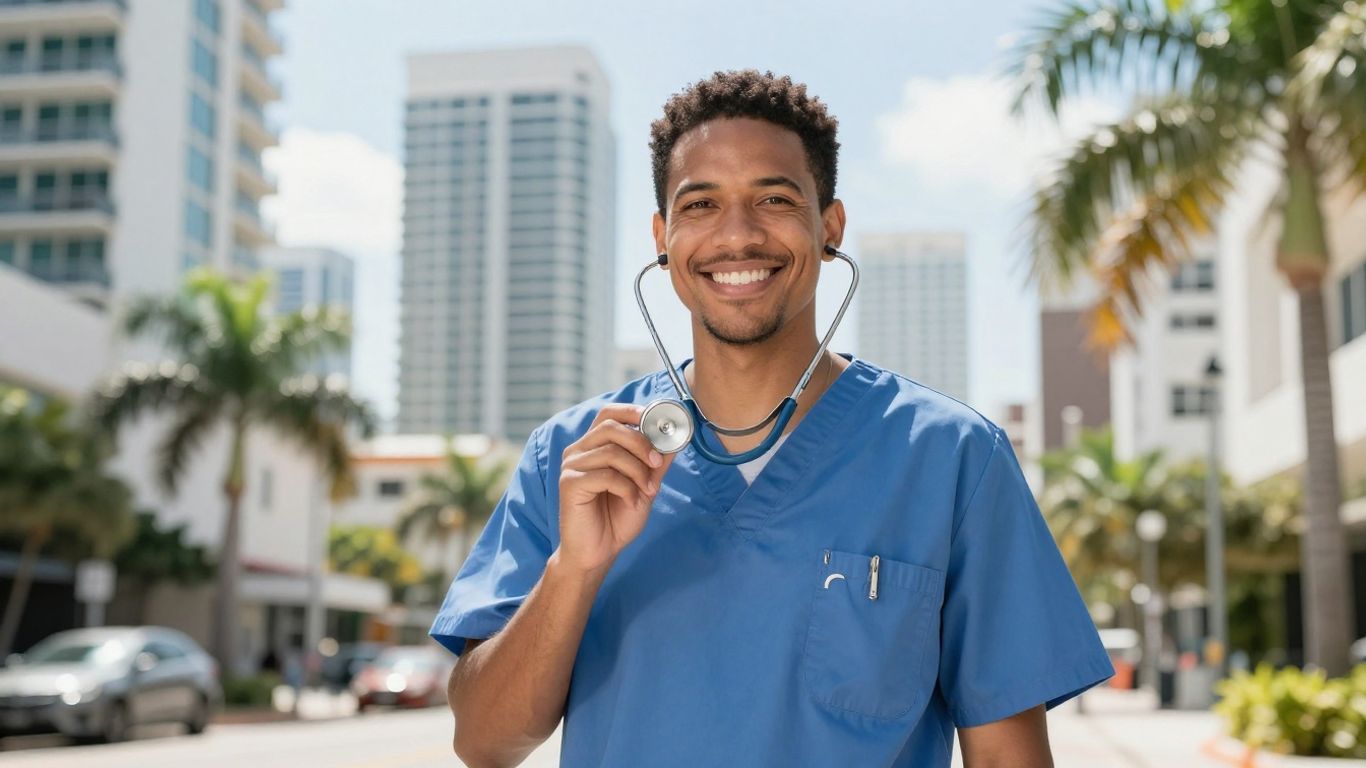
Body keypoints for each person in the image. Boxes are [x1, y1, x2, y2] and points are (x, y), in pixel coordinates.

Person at [430, 69, 1113, 767]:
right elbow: (484, 742)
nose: (738, 235)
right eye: (701, 204)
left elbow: (1005, 758)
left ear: (830, 227)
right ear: (663, 239)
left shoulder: (952, 457)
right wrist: (573, 569)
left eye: (774, 199)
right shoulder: (571, 457)